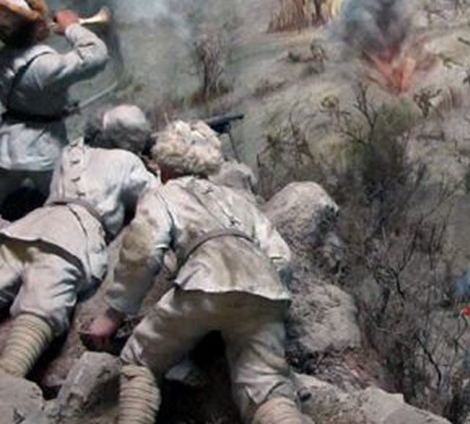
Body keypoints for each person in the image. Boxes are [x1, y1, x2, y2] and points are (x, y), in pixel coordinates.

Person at [88, 121, 310, 424]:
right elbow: (281, 257)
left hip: (202, 287)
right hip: (264, 290)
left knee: (140, 361)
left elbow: (143, 251)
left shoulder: (162, 195)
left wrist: (114, 313)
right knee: (267, 389)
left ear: (164, 167)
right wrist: (260, 293)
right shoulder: (236, 199)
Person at [0, 105, 155, 377]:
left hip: (31, 225)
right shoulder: (127, 161)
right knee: (41, 307)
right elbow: (153, 195)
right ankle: (9, 376)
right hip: (72, 234)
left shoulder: (71, 151)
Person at [0, 0, 109, 213]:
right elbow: (96, 55)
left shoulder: (4, 59)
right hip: (43, 151)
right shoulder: (45, 66)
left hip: (7, 147)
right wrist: (72, 28)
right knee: (62, 204)